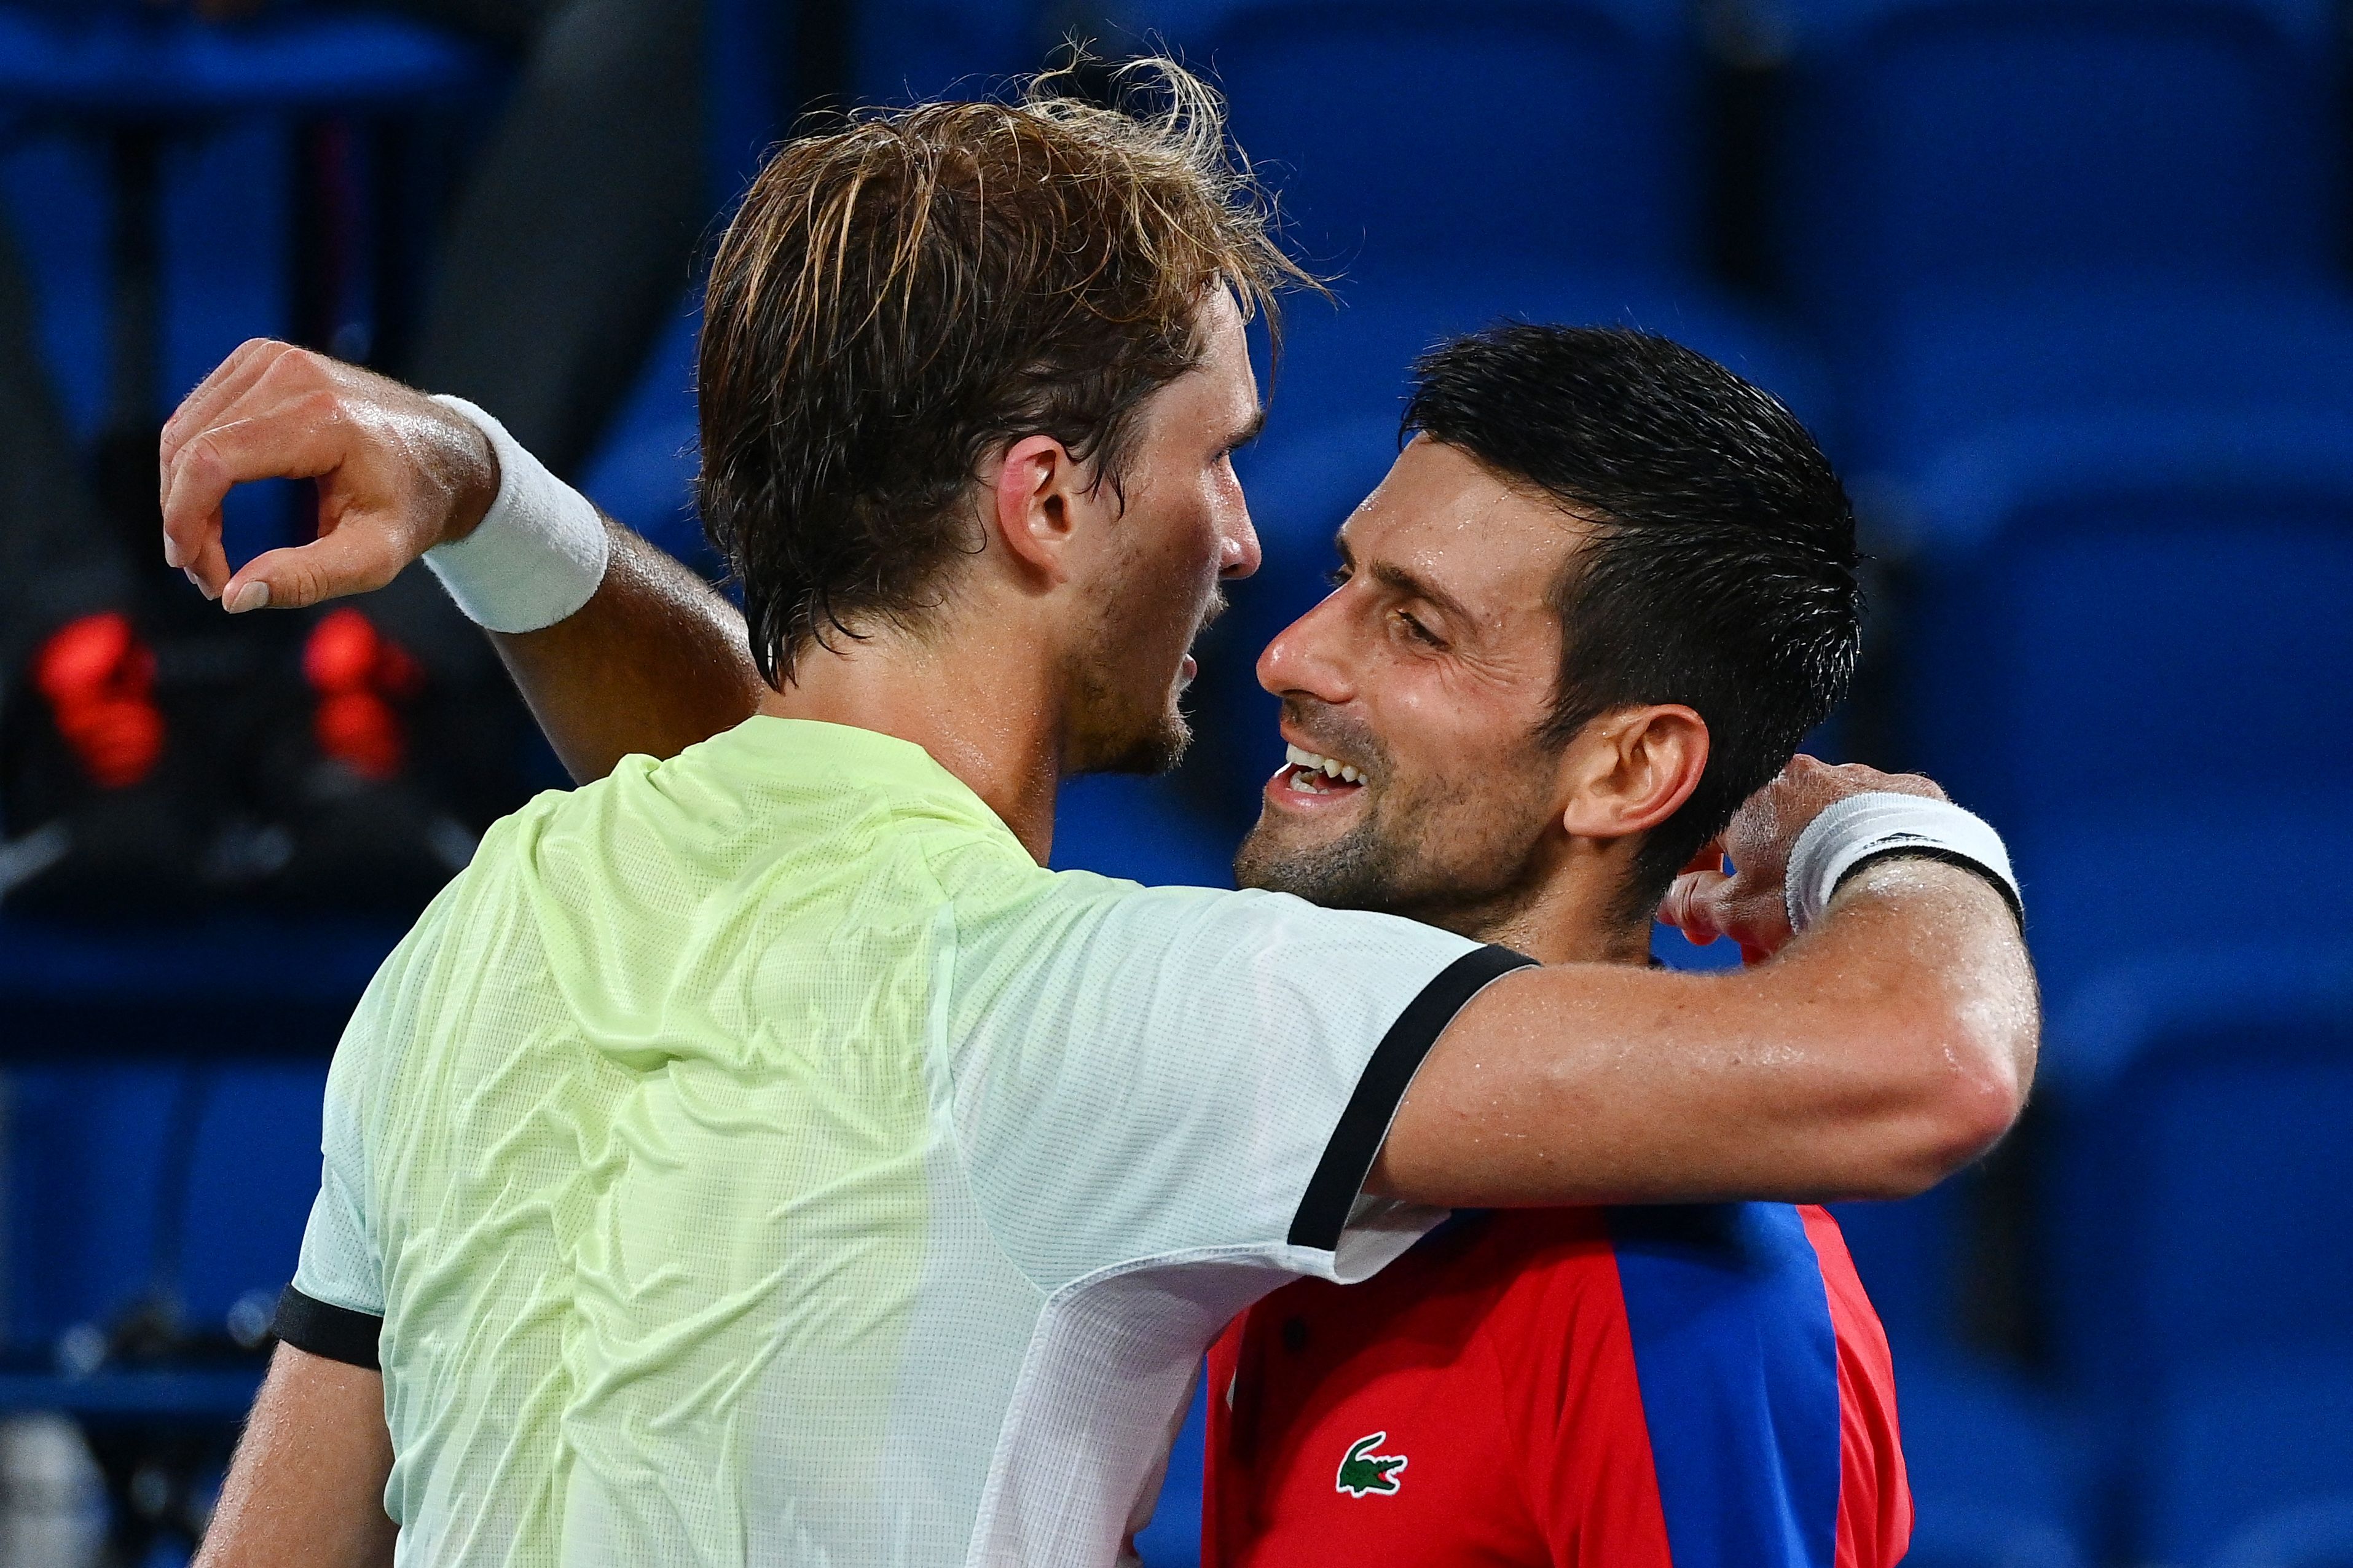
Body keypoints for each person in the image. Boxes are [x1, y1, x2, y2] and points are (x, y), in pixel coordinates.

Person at [159, 65, 2035, 1568]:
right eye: (1213, 461)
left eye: (1405, 617)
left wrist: (495, 499)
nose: (1248, 567)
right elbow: (1923, 1064)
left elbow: (782, 799)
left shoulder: (485, 937)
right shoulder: (1123, 1021)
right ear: (1047, 503)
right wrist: (1875, 825)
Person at [1201, 325, 1912, 1568]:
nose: (1291, 652)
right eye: (1346, 578)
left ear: (1629, 768)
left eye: (1415, 626)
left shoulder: (1683, 1306)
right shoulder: (1304, 1140)